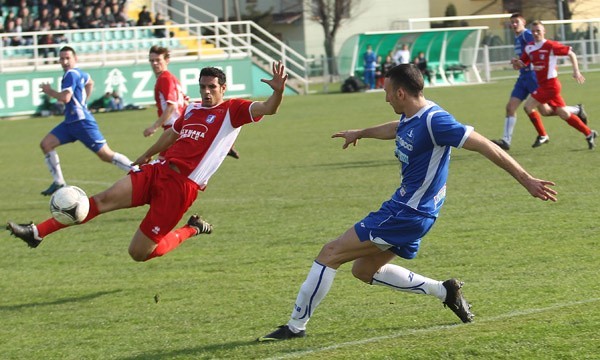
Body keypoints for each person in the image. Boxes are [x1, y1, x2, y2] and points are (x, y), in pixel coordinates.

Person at [257, 64, 557, 342]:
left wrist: (526, 179)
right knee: (363, 271)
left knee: (329, 253)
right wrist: (361, 132)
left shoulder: (437, 120)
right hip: (410, 210)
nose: (386, 98)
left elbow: (487, 146)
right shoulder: (410, 116)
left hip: (408, 212)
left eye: (388, 93)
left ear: (401, 93)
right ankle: (445, 291)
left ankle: (295, 327)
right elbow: (396, 128)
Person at [7, 61, 288, 262]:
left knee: (138, 253)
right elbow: (172, 136)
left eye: (212, 87)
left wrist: (277, 92)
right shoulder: (191, 109)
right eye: (202, 86)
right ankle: (37, 232)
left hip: (181, 188)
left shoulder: (233, 109)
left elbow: (269, 109)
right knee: (101, 200)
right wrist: (145, 156)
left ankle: (192, 228)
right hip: (158, 170)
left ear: (223, 88)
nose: (206, 92)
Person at [37, 46, 135, 196]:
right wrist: (83, 102)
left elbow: (65, 98)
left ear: (75, 59)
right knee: (46, 144)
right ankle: (59, 182)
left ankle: (138, 171)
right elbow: (90, 82)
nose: (64, 61)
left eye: (67, 58)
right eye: (62, 58)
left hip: (81, 122)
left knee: (106, 155)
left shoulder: (70, 74)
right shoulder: (80, 73)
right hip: (71, 122)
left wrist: (49, 91)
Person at [490, 14, 588, 151]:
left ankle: (574, 111)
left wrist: (550, 68)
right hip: (523, 77)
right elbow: (524, 59)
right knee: (510, 107)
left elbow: (542, 49)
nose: (513, 25)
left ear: (523, 22)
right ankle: (506, 140)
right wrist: (517, 63)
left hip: (533, 77)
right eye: (511, 22)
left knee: (545, 111)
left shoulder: (528, 35)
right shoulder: (517, 37)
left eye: (516, 22)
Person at [146, 45, 240, 159]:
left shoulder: (164, 79)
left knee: (159, 168)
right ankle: (221, 143)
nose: (154, 63)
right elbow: (185, 101)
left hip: (174, 127)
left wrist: (154, 127)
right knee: (168, 167)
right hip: (181, 126)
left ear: (167, 60)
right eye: (152, 60)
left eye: (158, 60)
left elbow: (171, 106)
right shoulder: (172, 78)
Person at [516, 20, 596, 150]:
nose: (536, 33)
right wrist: (516, 63)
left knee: (528, 107)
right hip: (542, 85)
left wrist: (576, 71)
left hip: (551, 86)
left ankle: (543, 135)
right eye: (534, 31)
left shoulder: (550, 45)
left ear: (544, 31)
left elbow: (571, 53)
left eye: (539, 31)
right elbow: (522, 63)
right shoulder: (529, 47)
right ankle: (588, 132)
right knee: (561, 113)